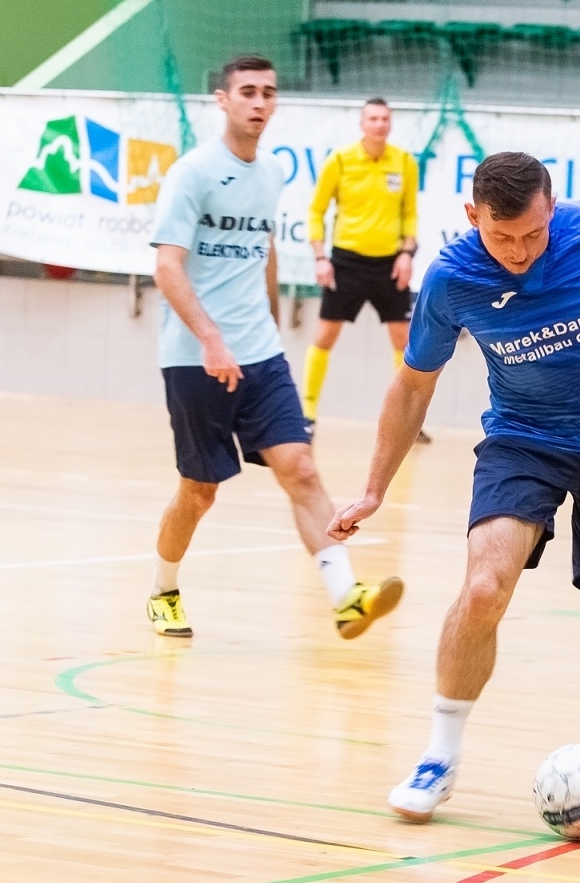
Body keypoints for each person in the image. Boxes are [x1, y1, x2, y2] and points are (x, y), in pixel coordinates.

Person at [328, 151, 580, 823]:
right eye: (500, 236)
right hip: (523, 441)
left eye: (533, 235)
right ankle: (439, 756)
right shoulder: (452, 278)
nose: (518, 251)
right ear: (471, 216)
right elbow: (412, 384)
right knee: (483, 587)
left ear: (552, 205)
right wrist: (373, 490)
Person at [147, 54, 404, 641]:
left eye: (269, 92)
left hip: (260, 355)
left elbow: (262, 250)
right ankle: (163, 588)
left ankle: (346, 597)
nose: (260, 103)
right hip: (195, 358)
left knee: (303, 469)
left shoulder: (272, 174)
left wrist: (264, 326)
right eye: (248, 92)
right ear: (222, 100)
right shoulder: (193, 173)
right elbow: (167, 267)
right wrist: (212, 339)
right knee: (198, 492)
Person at [302, 97, 430, 443]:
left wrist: (407, 253)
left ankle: (406, 419)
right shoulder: (340, 161)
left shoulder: (404, 162)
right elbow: (316, 211)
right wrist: (320, 256)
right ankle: (307, 413)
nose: (379, 124)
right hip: (346, 261)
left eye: (385, 118)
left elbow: (410, 213)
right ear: (362, 124)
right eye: (373, 118)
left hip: (390, 263)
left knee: (403, 339)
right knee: (326, 336)